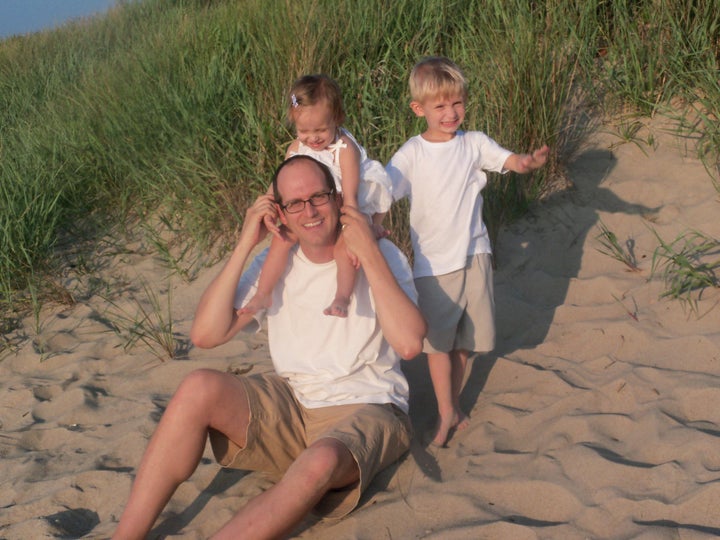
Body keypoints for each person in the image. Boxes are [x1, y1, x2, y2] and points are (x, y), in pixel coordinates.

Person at [112, 155, 426, 540]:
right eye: (295, 203)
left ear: (338, 197)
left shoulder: (381, 255)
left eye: (318, 197)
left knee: (320, 460)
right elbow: (206, 335)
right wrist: (247, 241)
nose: (308, 211)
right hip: (295, 404)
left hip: (370, 407)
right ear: (280, 210)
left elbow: (410, 343)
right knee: (197, 387)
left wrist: (369, 251)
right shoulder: (276, 259)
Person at [386, 56, 549, 447]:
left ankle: (452, 405)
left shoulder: (473, 143)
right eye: (440, 106)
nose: (450, 113)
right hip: (432, 265)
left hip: (475, 255)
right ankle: (445, 412)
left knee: (464, 342)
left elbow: (508, 160)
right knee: (438, 345)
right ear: (418, 109)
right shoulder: (412, 153)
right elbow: (384, 192)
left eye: (456, 103)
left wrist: (526, 162)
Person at [241, 74, 393, 318]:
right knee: (280, 240)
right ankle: (263, 293)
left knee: (345, 246)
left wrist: (356, 230)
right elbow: (277, 188)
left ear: (337, 118)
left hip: (343, 206)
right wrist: (268, 209)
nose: (312, 138)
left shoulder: (344, 149)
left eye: (321, 130)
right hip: (314, 209)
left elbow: (352, 197)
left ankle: (342, 296)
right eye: (304, 131)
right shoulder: (295, 149)